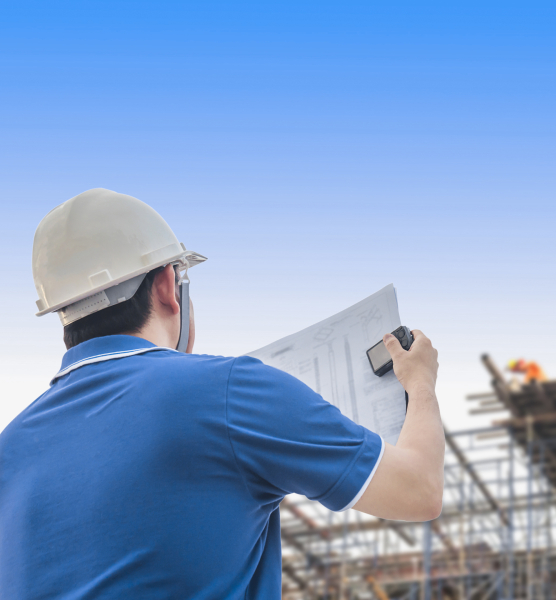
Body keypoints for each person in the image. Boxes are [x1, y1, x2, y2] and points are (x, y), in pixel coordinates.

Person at [0, 188, 444, 599]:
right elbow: (419, 489)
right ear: (168, 287)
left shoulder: (9, 448)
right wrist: (420, 383)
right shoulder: (228, 390)